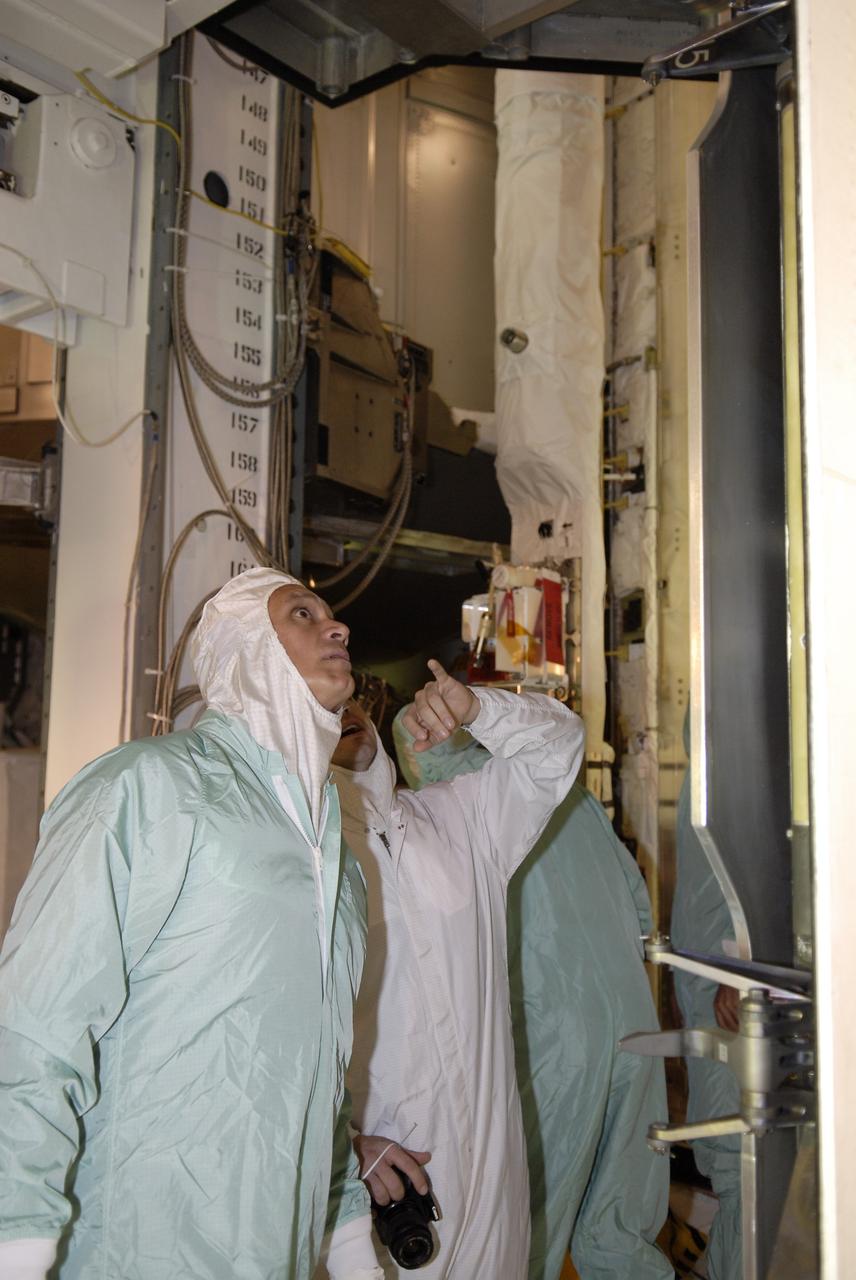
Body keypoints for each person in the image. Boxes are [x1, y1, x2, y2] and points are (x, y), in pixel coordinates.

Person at [0, 568, 379, 1280]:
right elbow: (38, 1021)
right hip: (140, 1241)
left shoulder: (332, 854)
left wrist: (350, 1237)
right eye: (302, 614)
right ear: (246, 650)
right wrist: (17, 1233)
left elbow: (316, 1073)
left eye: (330, 614)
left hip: (278, 1249)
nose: (338, 627)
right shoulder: (148, 787)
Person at [323, 663, 585, 1279]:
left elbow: (557, 746)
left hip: (494, 1172)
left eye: (350, 701)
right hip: (398, 1177)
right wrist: (340, 1150)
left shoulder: (458, 817)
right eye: (323, 708)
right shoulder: (302, 859)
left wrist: (480, 711)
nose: (345, 711)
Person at [394, 703, 672, 1280]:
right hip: (634, 1019)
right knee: (622, 1230)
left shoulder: (465, 817)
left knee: (532, 1226)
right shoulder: (566, 790)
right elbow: (638, 901)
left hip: (555, 1037)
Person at [671, 714, 742, 1280]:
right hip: (708, 977)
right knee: (726, 1154)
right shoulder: (709, 766)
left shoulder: (735, 764)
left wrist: (739, 962)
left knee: (738, 1154)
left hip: (728, 987)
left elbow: (757, 864)